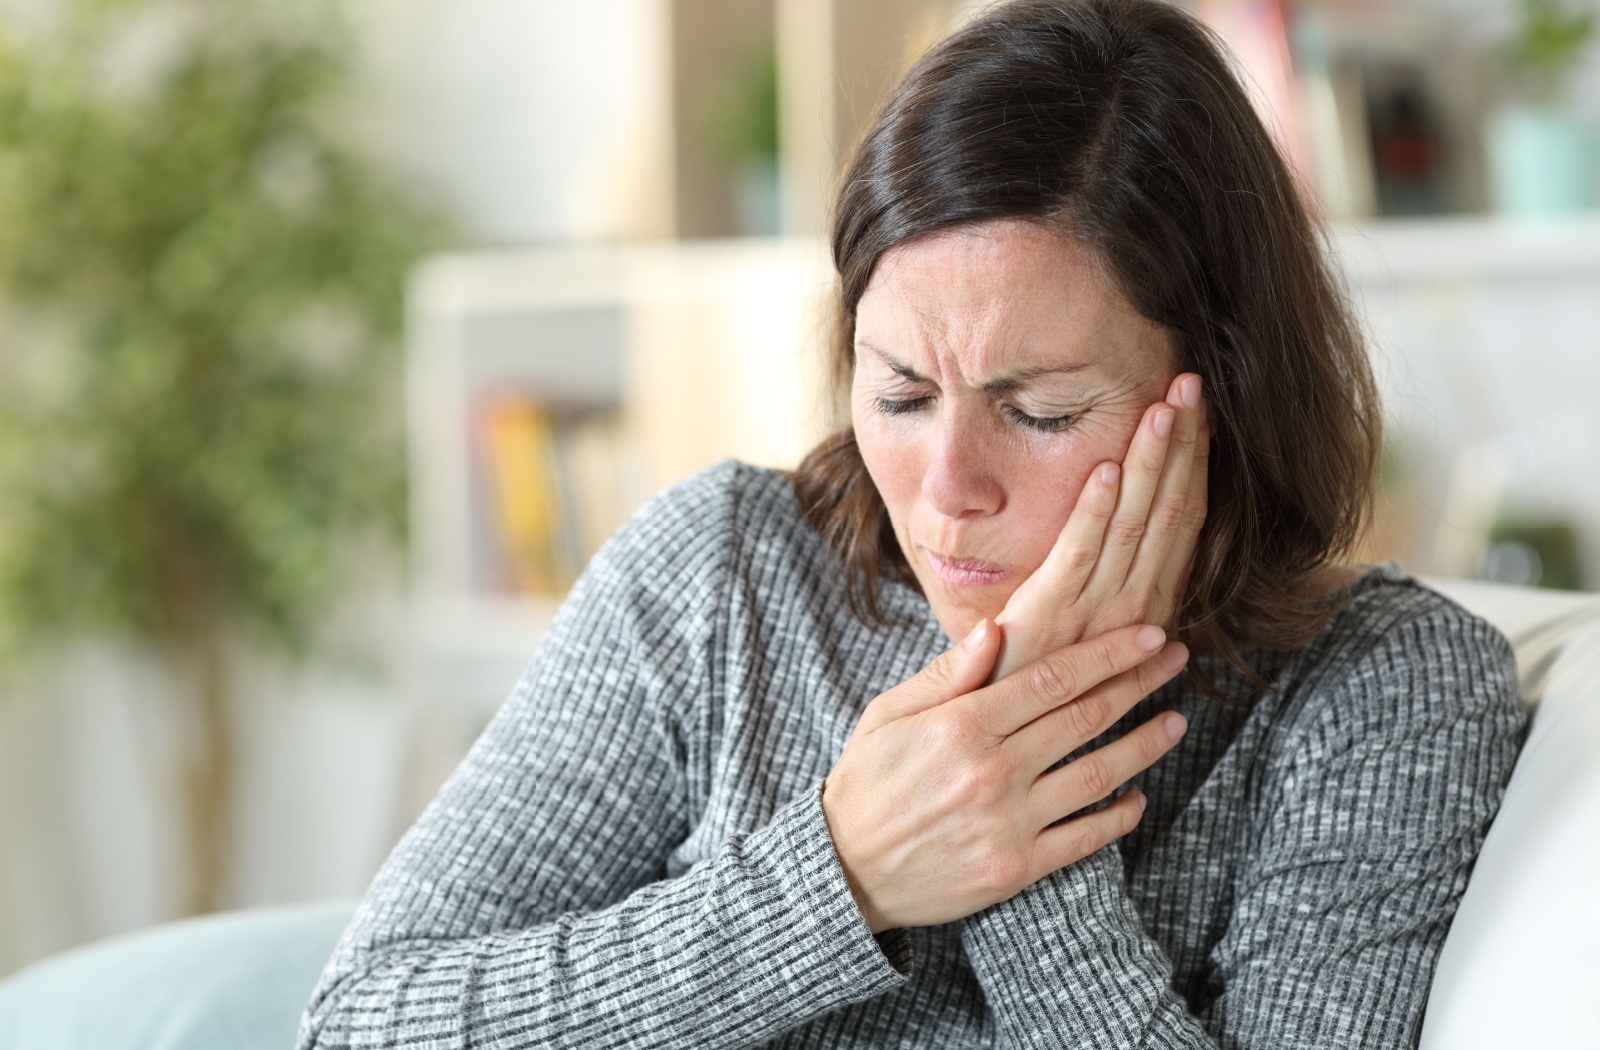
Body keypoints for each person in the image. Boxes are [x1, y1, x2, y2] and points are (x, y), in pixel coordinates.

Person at [298, 1, 1525, 1046]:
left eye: (1036, 412)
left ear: (1221, 396)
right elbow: (358, 1023)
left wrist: (1015, 821)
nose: (945, 485)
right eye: (897, 392)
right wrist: (838, 879)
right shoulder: (720, 574)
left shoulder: (1379, 693)